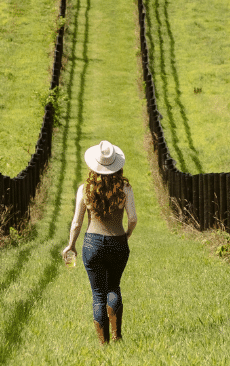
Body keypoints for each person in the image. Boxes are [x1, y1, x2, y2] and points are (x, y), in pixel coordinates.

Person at [61, 140, 137, 344]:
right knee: (114, 287)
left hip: (92, 244)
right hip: (118, 242)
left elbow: (77, 223)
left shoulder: (85, 189)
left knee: (98, 295)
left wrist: (71, 245)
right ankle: (117, 336)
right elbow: (133, 219)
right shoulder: (125, 188)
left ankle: (104, 345)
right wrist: (126, 235)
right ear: (116, 165)